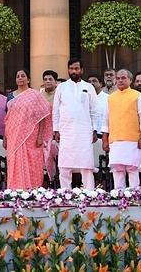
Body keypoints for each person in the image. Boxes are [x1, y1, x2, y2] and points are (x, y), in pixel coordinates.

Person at [53, 58, 99, 189]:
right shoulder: (61, 87)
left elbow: (95, 111)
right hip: (65, 132)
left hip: (84, 132)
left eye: (76, 69)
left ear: (81, 70)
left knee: (86, 165)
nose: (74, 71)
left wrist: (94, 130)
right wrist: (56, 130)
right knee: (64, 166)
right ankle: (65, 194)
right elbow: (56, 110)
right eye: (71, 69)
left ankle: (89, 193)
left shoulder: (88, 87)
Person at [3, 69, 53, 189]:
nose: (20, 78)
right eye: (18, 76)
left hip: (31, 135)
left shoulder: (34, 95)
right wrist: (5, 137)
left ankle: (32, 189)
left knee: (32, 161)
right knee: (14, 161)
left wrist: (40, 136)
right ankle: (15, 189)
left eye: (23, 76)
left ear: (28, 79)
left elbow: (43, 115)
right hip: (13, 134)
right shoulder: (10, 96)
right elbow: (8, 118)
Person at [101, 69, 141, 189]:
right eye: (118, 78)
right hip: (115, 139)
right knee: (118, 168)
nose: (120, 80)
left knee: (132, 168)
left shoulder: (138, 96)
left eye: (123, 78)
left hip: (132, 139)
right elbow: (105, 119)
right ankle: (119, 194)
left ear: (130, 80)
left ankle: (134, 194)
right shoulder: (111, 98)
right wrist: (104, 139)